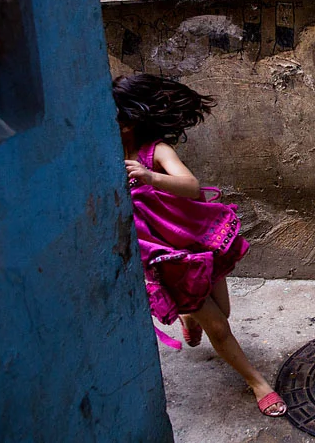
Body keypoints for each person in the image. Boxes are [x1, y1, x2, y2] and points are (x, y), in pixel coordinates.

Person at [112, 73, 286, 417]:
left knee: (222, 312)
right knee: (219, 327)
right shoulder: (105, 155)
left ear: (130, 121)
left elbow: (191, 186)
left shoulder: (155, 152)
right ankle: (258, 383)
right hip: (165, 258)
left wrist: (150, 177)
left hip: (197, 246)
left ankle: (191, 319)